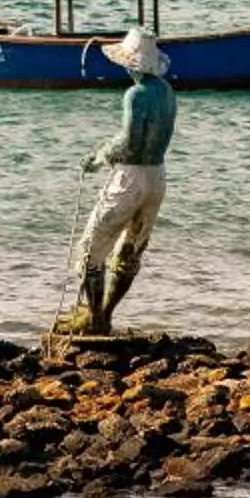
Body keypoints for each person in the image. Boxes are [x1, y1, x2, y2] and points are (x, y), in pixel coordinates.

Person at [65, 29, 173, 335]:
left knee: (90, 249)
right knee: (130, 251)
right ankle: (107, 315)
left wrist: (99, 157)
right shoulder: (167, 91)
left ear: (132, 64)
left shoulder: (135, 94)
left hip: (131, 178)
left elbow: (128, 141)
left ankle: (95, 319)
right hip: (157, 176)